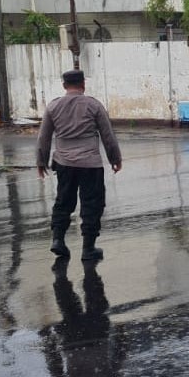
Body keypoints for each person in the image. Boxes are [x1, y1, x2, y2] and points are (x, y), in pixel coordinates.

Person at [38, 70, 122, 261]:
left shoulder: (53, 107)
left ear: (64, 85)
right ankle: (88, 248)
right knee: (92, 203)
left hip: (64, 163)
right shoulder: (94, 105)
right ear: (83, 83)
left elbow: (43, 137)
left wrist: (41, 161)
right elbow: (107, 135)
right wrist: (115, 159)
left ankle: (58, 239)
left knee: (63, 201)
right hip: (90, 164)